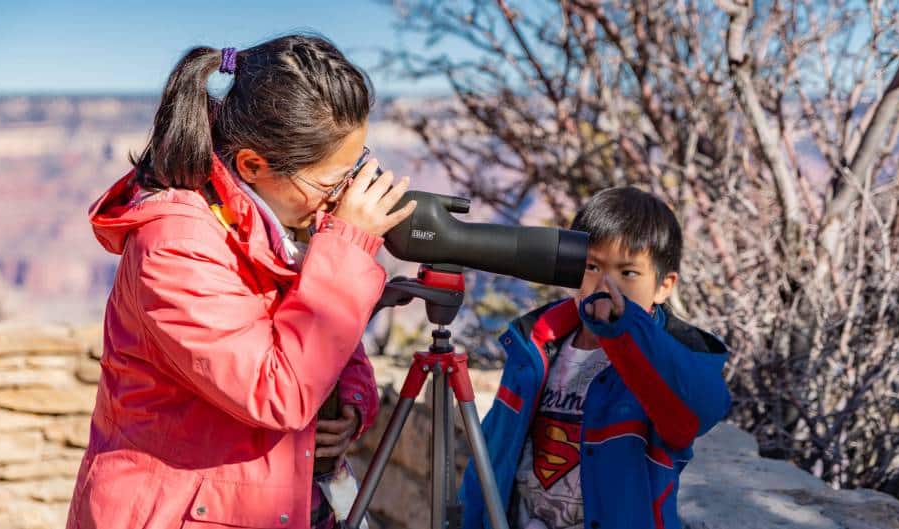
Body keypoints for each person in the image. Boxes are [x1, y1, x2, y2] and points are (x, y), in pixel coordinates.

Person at [67, 34, 416, 529]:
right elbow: (278, 392)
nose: (343, 197)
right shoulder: (177, 245)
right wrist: (348, 245)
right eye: (330, 183)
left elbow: (326, 338)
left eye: (354, 170)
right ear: (254, 165)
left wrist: (352, 405)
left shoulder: (277, 221)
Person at [459, 187, 732, 529]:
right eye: (591, 266)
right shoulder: (537, 344)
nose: (606, 284)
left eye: (627, 273)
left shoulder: (665, 363)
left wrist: (626, 330)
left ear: (665, 286)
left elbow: (704, 409)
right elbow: (491, 453)